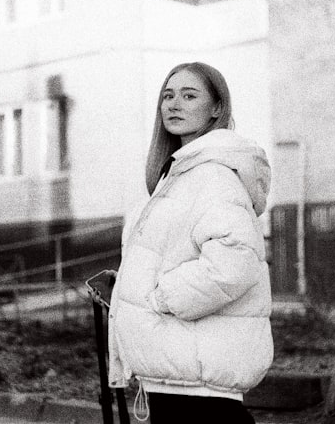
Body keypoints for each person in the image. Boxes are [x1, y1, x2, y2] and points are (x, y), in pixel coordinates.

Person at [107, 62, 273, 424]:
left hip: (197, 387)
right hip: (175, 376)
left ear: (217, 108)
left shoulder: (212, 175)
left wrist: (161, 297)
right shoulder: (179, 175)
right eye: (167, 96)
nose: (173, 104)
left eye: (188, 95)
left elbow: (235, 262)